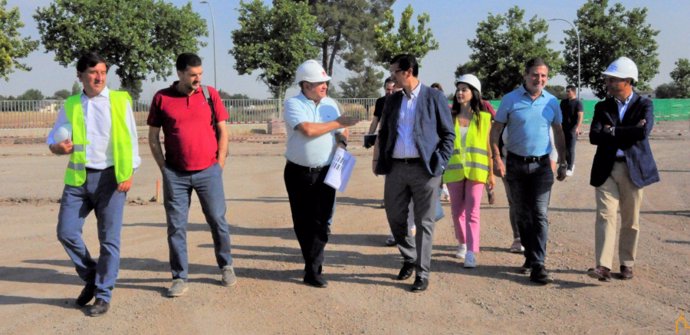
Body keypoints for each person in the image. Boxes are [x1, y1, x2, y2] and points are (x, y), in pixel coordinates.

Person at [48, 52, 141, 316]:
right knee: (66, 232)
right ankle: (91, 275)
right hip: (78, 178)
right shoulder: (72, 104)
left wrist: (129, 171)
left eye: (102, 72)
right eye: (93, 72)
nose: (99, 77)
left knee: (109, 240)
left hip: (112, 177)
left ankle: (103, 294)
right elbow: (55, 137)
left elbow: (131, 138)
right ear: (80, 76)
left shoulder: (120, 100)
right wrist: (57, 147)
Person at [148, 53, 236, 297]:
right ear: (179, 73)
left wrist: (220, 163)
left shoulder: (209, 95)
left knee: (217, 220)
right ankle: (179, 277)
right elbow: (153, 137)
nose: (198, 79)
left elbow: (222, 131)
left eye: (200, 74)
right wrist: (163, 167)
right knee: (176, 226)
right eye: (192, 75)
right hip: (175, 174)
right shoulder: (161, 98)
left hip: (209, 171)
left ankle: (226, 265)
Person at [374, 54, 455, 292]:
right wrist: (379, 159)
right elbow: (385, 133)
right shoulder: (392, 101)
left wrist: (439, 164)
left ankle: (422, 272)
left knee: (424, 222)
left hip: (425, 170)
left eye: (394, 72)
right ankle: (409, 255)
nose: (391, 77)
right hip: (397, 169)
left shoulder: (434, 97)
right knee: (395, 217)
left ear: (408, 71)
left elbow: (448, 134)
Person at [490, 58, 567, 285]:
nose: (539, 79)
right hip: (515, 165)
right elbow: (495, 132)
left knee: (540, 213)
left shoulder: (552, 102)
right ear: (525, 75)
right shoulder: (510, 100)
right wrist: (496, 158)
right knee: (522, 214)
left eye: (543, 76)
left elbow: (559, 132)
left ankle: (538, 264)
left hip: (542, 166)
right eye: (535, 75)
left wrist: (563, 161)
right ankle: (531, 255)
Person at [283, 60, 357, 288]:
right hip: (298, 173)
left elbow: (342, 129)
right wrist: (336, 122)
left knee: (322, 221)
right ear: (305, 85)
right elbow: (307, 130)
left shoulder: (331, 104)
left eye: (326, 83)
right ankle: (311, 261)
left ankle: (313, 269)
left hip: (326, 170)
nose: (325, 86)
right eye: (320, 83)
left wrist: (342, 141)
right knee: (302, 221)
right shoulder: (293, 104)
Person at [587, 57, 659, 282]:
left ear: (628, 81)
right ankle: (603, 266)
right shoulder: (602, 106)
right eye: (608, 78)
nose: (607, 82)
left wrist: (612, 131)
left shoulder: (644, 105)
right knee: (605, 216)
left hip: (633, 169)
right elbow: (594, 136)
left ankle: (627, 263)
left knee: (630, 219)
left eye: (612, 79)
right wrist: (625, 131)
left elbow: (642, 134)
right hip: (606, 169)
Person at [443, 74, 494, 268]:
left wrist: (491, 174)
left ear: (474, 93)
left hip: (476, 171)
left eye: (464, 89)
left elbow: (489, 147)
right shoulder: (449, 117)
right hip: (454, 171)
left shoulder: (484, 118)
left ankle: (471, 252)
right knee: (457, 213)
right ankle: (462, 243)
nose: (460, 93)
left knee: (473, 212)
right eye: (458, 89)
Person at [559, 85, 584, 176]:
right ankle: (564, 164)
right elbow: (559, 114)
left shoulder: (578, 102)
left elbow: (580, 116)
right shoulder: (563, 102)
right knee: (563, 147)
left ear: (573, 92)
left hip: (572, 128)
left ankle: (570, 167)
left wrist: (577, 127)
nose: (567, 92)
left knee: (571, 148)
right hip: (563, 127)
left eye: (568, 91)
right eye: (566, 91)